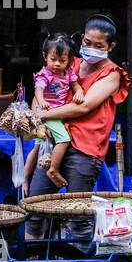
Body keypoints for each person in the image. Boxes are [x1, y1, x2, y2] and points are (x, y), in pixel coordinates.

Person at [29, 14, 131, 243]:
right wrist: (37, 113)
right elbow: (41, 89)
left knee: (78, 218)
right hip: (54, 145)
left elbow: (83, 107)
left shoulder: (113, 74)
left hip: (85, 151)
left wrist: (43, 115)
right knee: (34, 210)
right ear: (81, 38)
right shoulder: (68, 62)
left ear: (110, 46)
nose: (91, 49)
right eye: (87, 43)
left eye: (99, 46)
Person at [22, 33, 84, 192]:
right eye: (53, 59)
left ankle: (24, 180)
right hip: (49, 113)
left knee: (36, 148)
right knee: (64, 139)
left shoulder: (69, 72)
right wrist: (41, 102)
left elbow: (76, 85)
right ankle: (53, 169)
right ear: (45, 56)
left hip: (57, 114)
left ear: (70, 60)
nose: (57, 64)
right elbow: (38, 90)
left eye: (62, 61)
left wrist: (79, 92)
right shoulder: (45, 74)